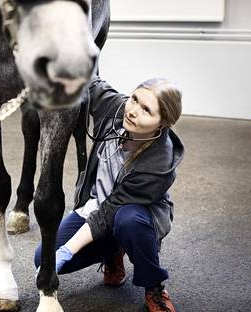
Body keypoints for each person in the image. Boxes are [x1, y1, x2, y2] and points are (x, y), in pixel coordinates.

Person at [34, 77, 184, 312]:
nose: (133, 111)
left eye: (146, 110)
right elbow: (87, 80)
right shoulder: (116, 109)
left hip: (136, 218)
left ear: (162, 122)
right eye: (134, 99)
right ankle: (114, 250)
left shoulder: (160, 165)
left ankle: (154, 286)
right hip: (96, 208)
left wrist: (69, 249)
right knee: (42, 259)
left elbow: (112, 210)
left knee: (128, 221)